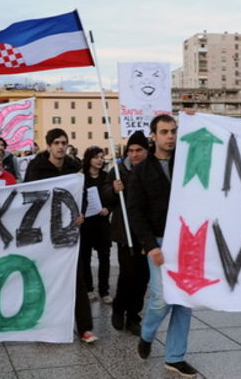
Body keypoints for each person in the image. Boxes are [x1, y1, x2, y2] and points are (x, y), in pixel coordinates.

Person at [127, 114, 198, 377]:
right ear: (153, 136)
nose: (170, 136)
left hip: (187, 241)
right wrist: (150, 245)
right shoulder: (141, 171)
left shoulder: (188, 163)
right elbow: (135, 212)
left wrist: (196, 120)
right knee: (161, 298)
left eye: (174, 131)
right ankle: (147, 334)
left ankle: (175, 357)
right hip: (158, 242)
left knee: (184, 300)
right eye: (165, 131)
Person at [24, 128, 97, 343]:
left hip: (69, 232)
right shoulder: (36, 168)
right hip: (43, 233)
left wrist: (81, 212)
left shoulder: (74, 168)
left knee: (76, 278)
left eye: (64, 142)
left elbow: (82, 195)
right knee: (45, 277)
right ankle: (43, 326)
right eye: (56, 142)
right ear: (48, 146)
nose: (60, 146)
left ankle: (85, 327)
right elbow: (27, 195)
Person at [101, 131, 150, 335]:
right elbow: (105, 196)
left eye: (138, 150)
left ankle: (133, 316)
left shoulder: (152, 170)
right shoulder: (118, 171)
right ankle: (119, 307)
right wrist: (113, 190)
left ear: (146, 151)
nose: (134, 154)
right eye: (131, 150)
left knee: (143, 277)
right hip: (125, 232)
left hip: (146, 233)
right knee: (128, 274)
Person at [79, 146, 112, 303]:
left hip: (102, 223)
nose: (99, 160)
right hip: (86, 224)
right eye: (96, 157)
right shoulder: (81, 178)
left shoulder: (107, 177)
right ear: (89, 159)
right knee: (85, 258)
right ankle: (89, 288)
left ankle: (104, 290)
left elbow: (113, 198)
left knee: (105, 258)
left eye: (101, 157)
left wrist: (108, 208)